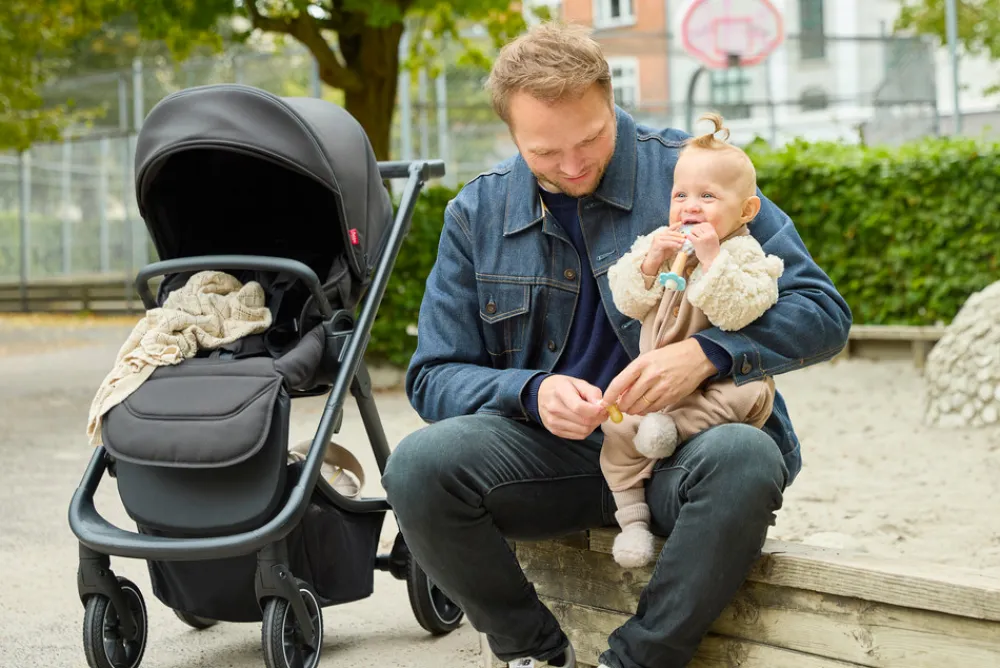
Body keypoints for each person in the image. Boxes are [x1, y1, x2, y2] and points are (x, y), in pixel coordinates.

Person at [381, 20, 852, 668]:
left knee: (747, 454)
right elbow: (432, 376)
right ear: (512, 134)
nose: (573, 166)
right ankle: (534, 655)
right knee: (416, 466)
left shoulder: (691, 174)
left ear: (611, 101)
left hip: (684, 449)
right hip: (554, 462)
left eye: (591, 139)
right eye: (545, 153)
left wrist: (706, 354)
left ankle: (633, 661)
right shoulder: (475, 212)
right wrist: (531, 391)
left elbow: (823, 312)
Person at [600, 112, 786, 569]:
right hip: (661, 386)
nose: (690, 207)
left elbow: (738, 309)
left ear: (746, 211)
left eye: (708, 196)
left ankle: (676, 431)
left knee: (746, 393)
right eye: (680, 195)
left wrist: (711, 260)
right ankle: (633, 521)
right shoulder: (666, 248)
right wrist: (650, 263)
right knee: (616, 425)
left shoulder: (746, 255)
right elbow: (627, 299)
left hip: (719, 382)